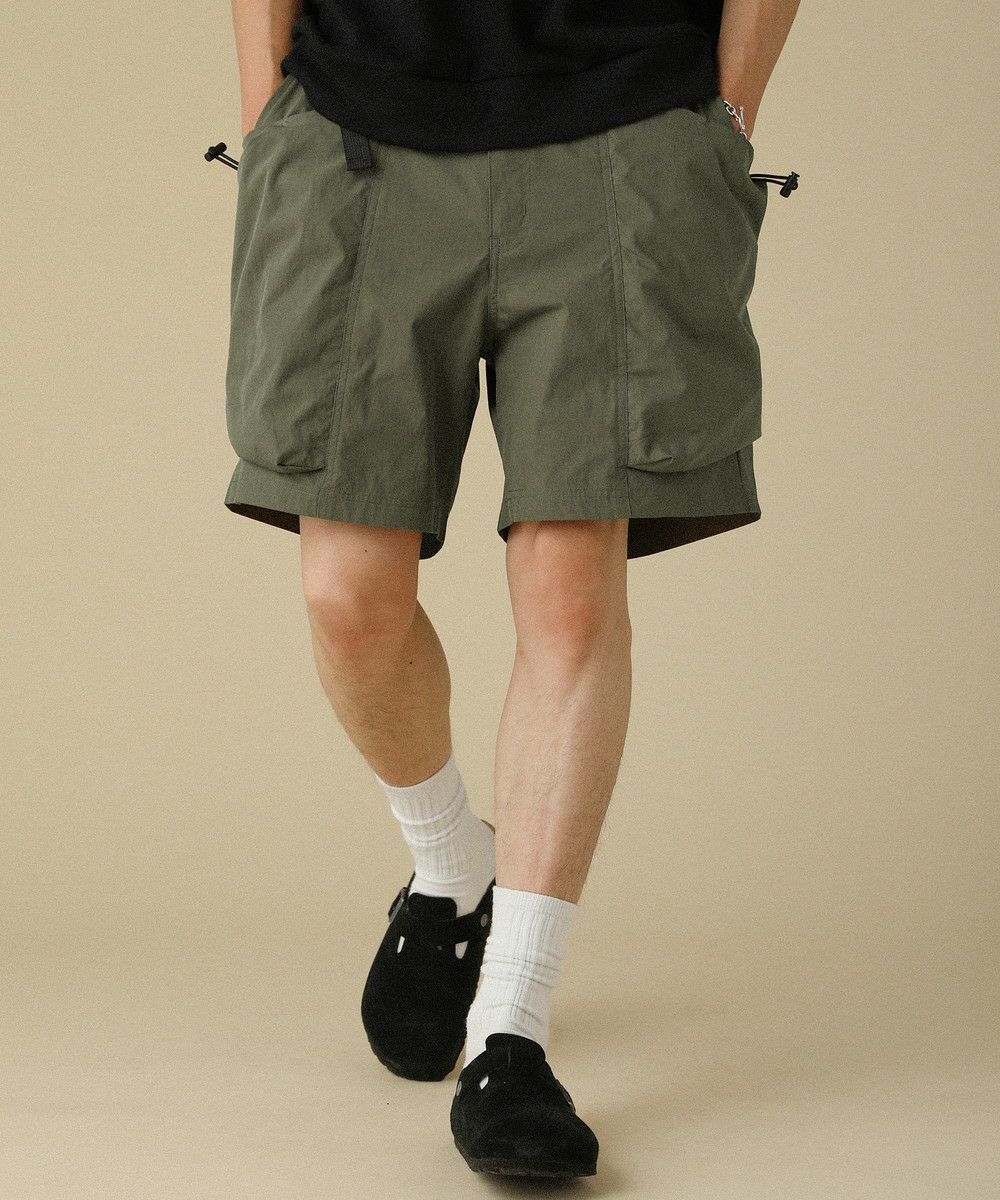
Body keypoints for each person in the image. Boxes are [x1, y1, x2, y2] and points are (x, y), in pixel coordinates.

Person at [224, 0, 801, 1179]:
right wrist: (268, 117)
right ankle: (451, 863)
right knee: (347, 593)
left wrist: (726, 121)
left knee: (571, 589)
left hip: (624, 127)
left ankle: (511, 1035)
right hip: (357, 133)